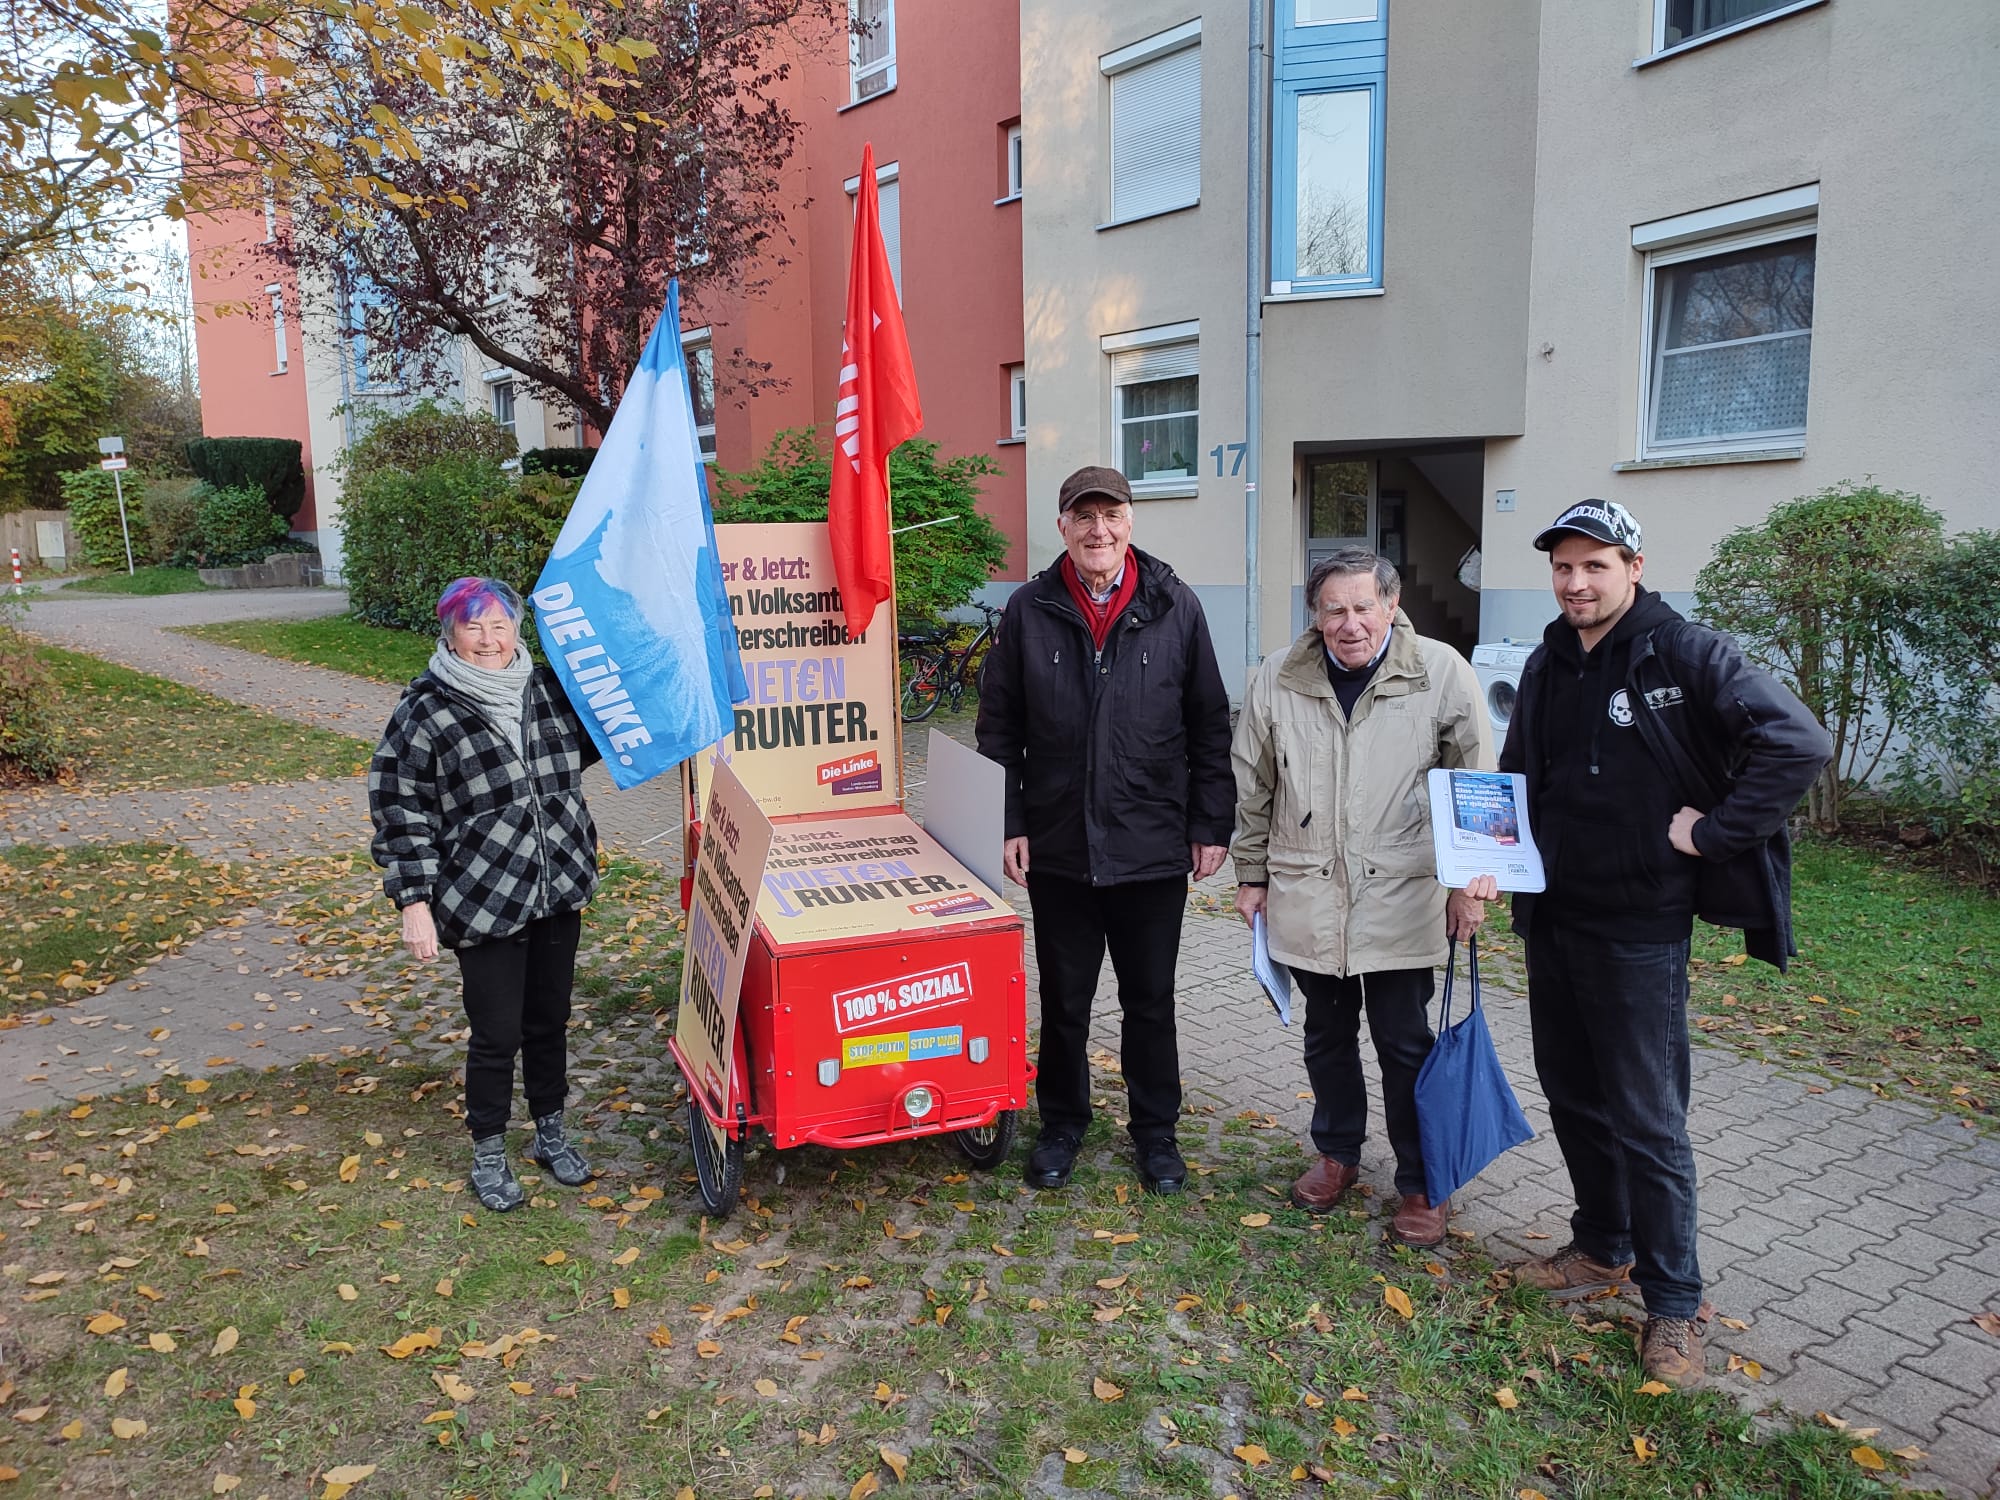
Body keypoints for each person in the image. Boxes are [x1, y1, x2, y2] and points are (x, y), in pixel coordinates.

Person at [1500, 500, 1830, 1386]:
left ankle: (1675, 1304)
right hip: (1554, 915)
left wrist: (1717, 834)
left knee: (1648, 1118)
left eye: (1594, 565)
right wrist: (1484, 857)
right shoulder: (1546, 662)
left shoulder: (1685, 652)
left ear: (1634, 567)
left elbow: (1798, 742)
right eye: (1564, 567)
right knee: (1572, 1091)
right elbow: (1518, 776)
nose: (1576, 582)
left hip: (1640, 927)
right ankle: (1599, 1247)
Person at [976, 465, 1235, 1194]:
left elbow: (1208, 722)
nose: (1098, 530)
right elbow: (1000, 728)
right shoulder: (1030, 610)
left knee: (1149, 1000)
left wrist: (1210, 819)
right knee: (1064, 1001)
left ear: (1131, 522)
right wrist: (1009, 819)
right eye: (1083, 516)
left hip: (1151, 844)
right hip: (1058, 846)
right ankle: (1062, 1124)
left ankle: (1156, 1133)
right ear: (1062, 526)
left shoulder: (1174, 606)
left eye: (1111, 515)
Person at [1230, 548, 1496, 1246]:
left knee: (1405, 1043)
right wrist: (1250, 876)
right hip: (1308, 890)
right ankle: (1338, 1154)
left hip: (1403, 895)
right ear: (1315, 617)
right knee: (1326, 1036)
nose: (1350, 624)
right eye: (1333, 611)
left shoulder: (1441, 673)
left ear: (1391, 606)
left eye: (1362, 608)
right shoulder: (1276, 680)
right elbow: (1253, 787)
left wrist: (1470, 886)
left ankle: (1421, 1182)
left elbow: (1476, 785)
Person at [369, 577, 604, 1213]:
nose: (488, 639)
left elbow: (603, 738)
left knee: (548, 1021)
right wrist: (413, 902)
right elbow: (399, 809)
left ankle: (550, 1132)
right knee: (498, 1033)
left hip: (558, 884)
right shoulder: (424, 712)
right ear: (449, 634)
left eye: (499, 625)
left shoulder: (551, 691)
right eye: (473, 627)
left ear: (517, 631)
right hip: (482, 896)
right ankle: (490, 1151)